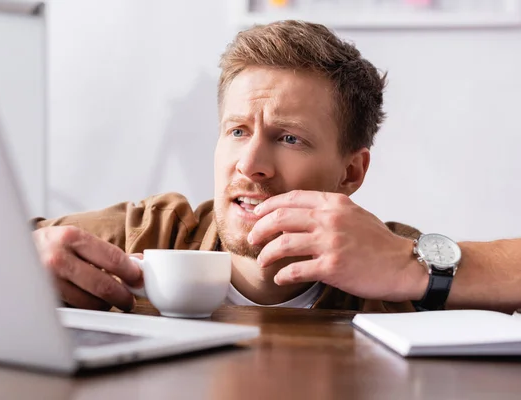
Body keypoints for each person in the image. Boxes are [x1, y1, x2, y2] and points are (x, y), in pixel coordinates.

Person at [32, 20, 519, 315]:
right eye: (238, 131)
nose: (250, 165)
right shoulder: (150, 232)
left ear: (350, 173)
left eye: (289, 138)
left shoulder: (393, 264)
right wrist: (28, 260)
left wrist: (412, 267)